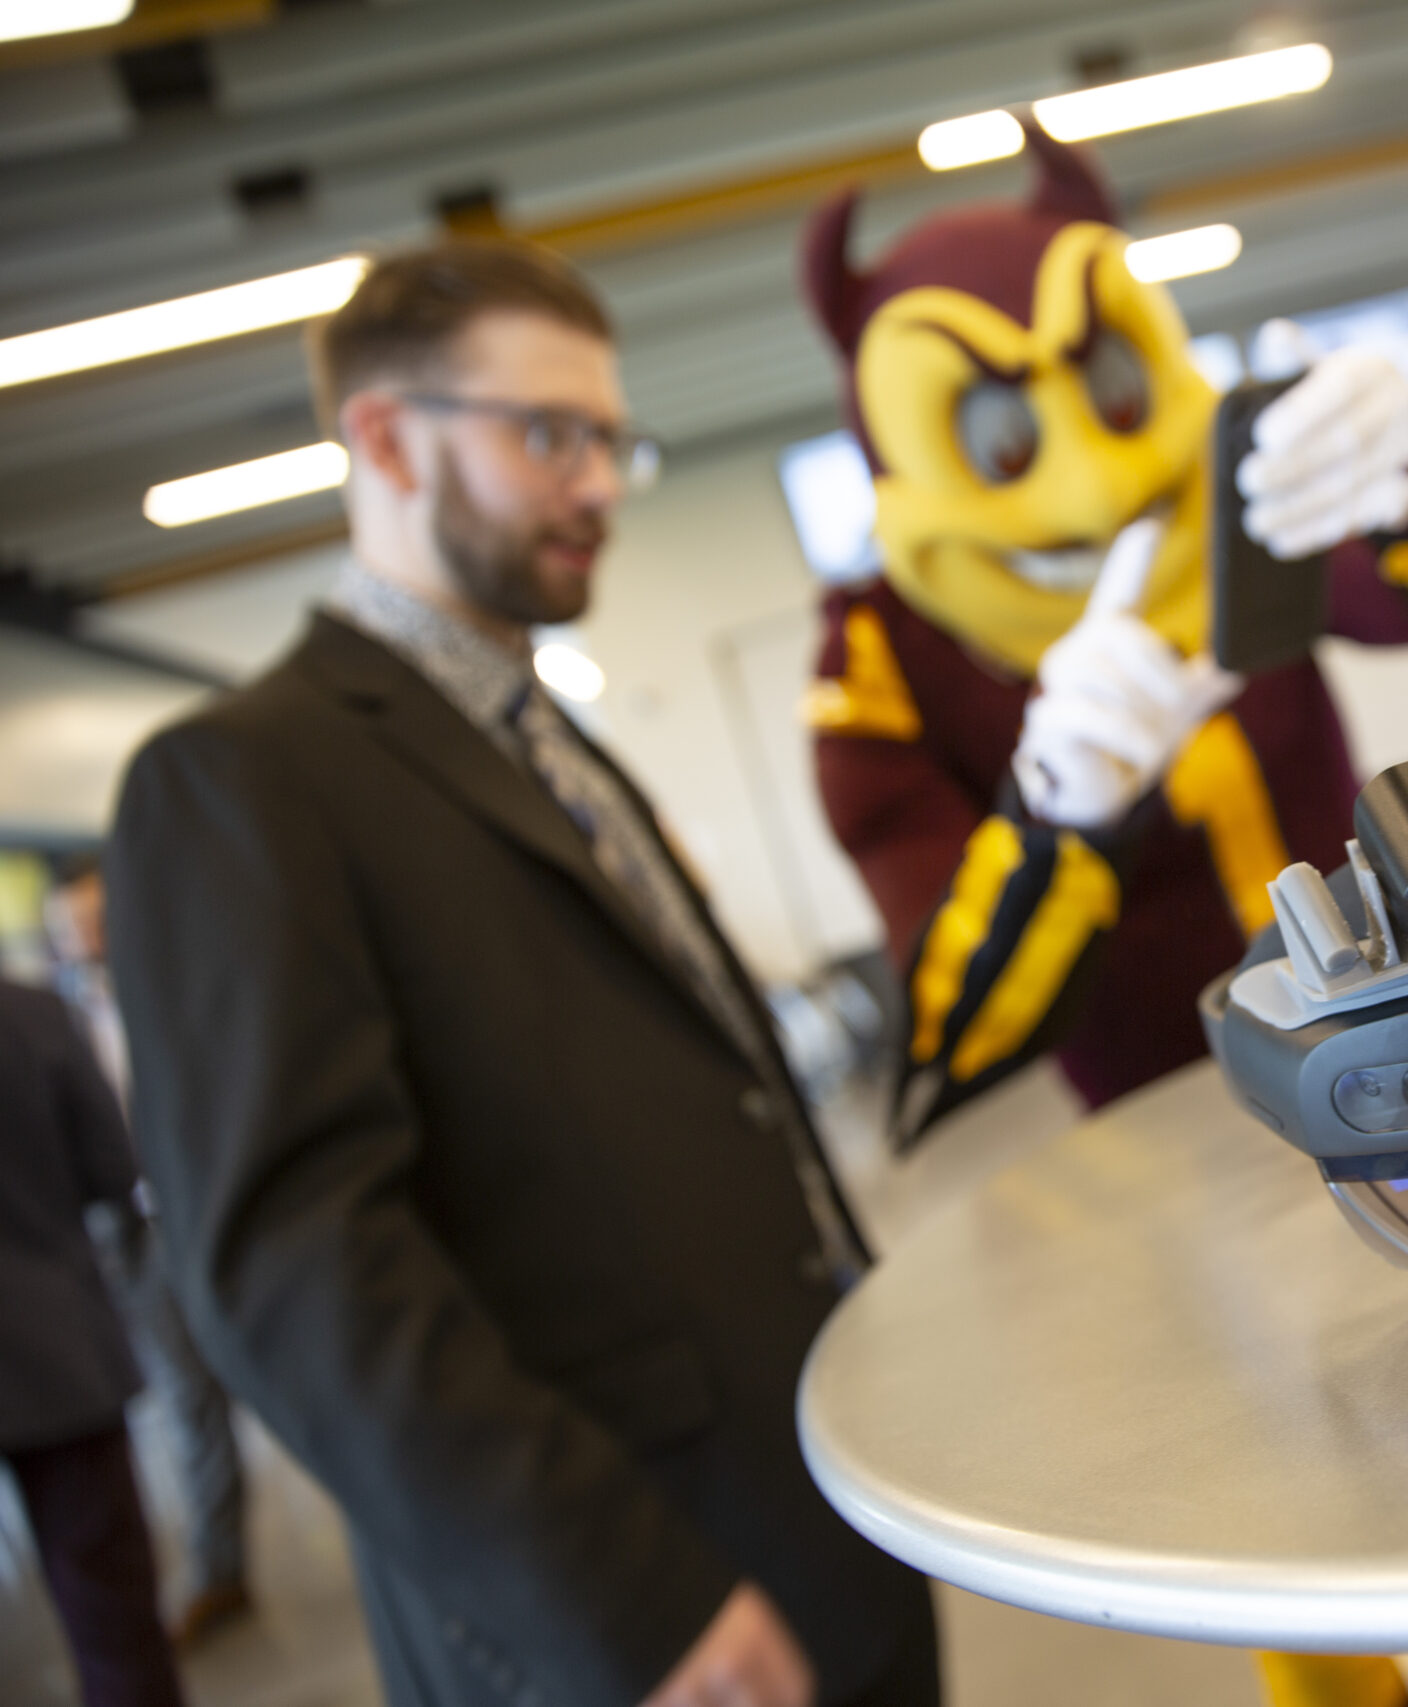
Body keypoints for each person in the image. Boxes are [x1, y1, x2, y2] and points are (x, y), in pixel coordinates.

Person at [798, 123, 1408, 1707]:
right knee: (1292, 1515)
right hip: (1165, 1163)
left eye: (1108, 388)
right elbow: (947, 1026)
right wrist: (1054, 819)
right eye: (994, 417)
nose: (1100, 464)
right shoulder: (883, 647)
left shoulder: (1230, 499)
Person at [107, 240, 936, 1707]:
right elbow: (297, 1266)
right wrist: (628, 1602)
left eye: (612, 438)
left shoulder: (544, 743)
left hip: (807, 1512)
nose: (602, 481)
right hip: (633, 1607)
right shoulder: (243, 776)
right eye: (548, 432)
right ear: (382, 437)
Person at [45, 866, 253, 1649]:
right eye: (76, 926)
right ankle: (221, 1571)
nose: (90, 937)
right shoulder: (57, 1019)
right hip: (140, 1235)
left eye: (100, 918)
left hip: (225, 1216)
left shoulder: (183, 982)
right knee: (192, 1407)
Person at [0, 977, 190, 1707]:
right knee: (114, 1622)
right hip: (62, 1355)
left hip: (64, 1362)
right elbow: (114, 1166)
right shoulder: (35, 1015)